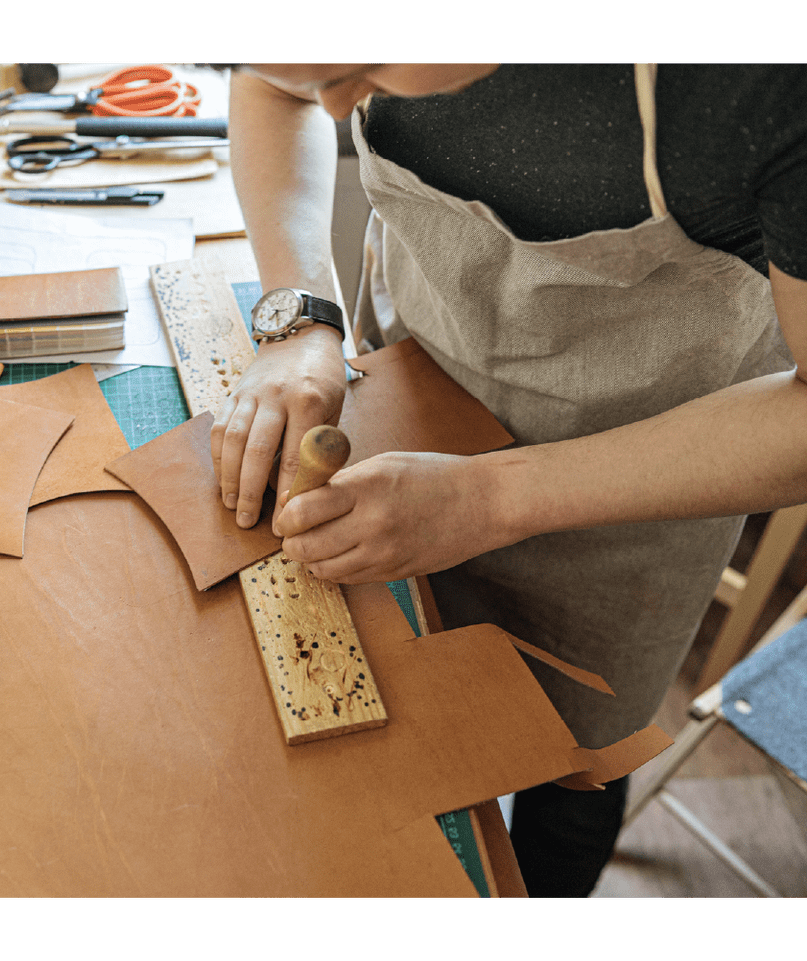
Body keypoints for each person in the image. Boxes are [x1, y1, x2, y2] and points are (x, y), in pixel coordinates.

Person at [214, 63, 807, 896]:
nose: (341, 104)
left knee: (575, 765)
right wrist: (301, 317)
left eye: (358, 65)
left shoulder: (763, 81)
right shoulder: (323, 63)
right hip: (415, 384)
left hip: (633, 492)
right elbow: (275, 85)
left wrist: (488, 495)